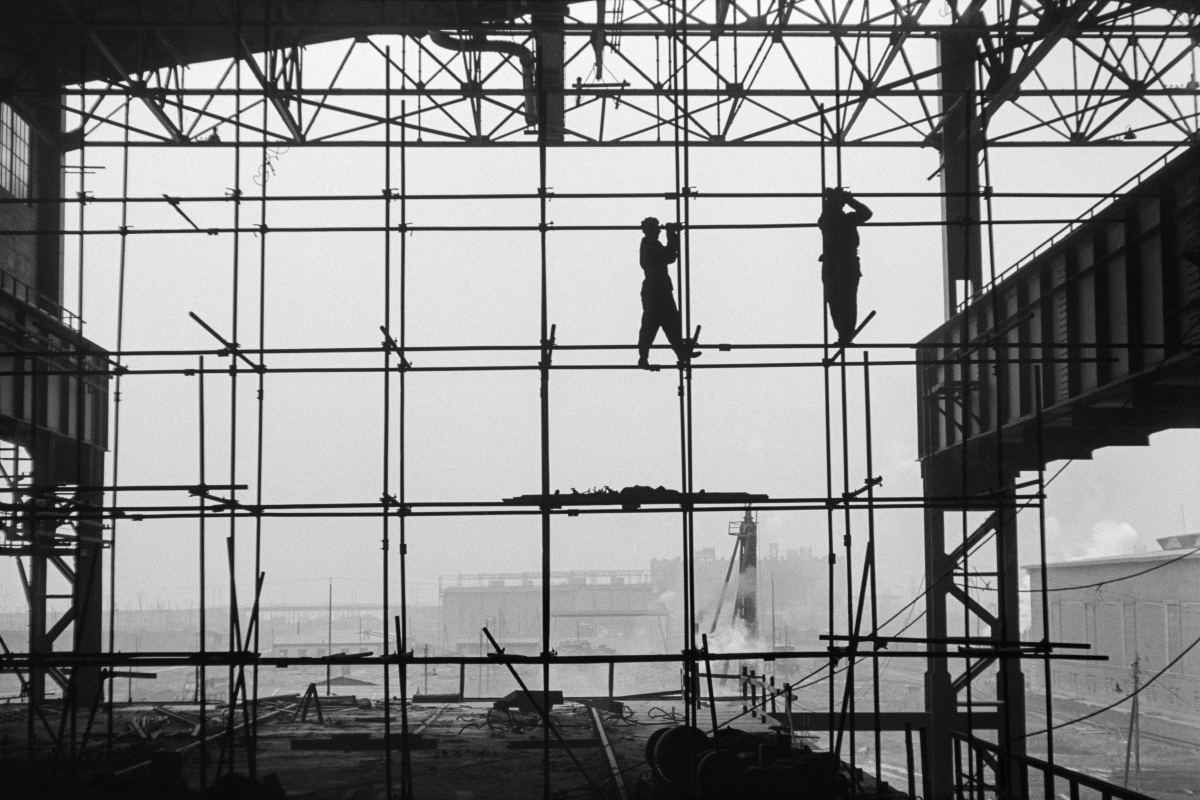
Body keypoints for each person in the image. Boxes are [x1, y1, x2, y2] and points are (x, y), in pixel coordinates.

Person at [637, 217, 700, 368]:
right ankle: (644, 357)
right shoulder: (648, 245)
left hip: (660, 290)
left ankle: (681, 352)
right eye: (656, 228)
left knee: (671, 323)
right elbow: (669, 256)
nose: (659, 231)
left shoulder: (652, 244)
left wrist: (672, 235)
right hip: (655, 291)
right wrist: (671, 235)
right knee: (651, 325)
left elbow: (669, 255)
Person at [818, 187, 873, 345]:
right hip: (840, 264)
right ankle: (845, 334)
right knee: (842, 301)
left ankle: (845, 334)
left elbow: (866, 214)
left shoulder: (837, 219)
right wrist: (848, 200)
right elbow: (865, 213)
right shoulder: (839, 219)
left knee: (840, 301)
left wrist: (842, 199)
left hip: (837, 264)